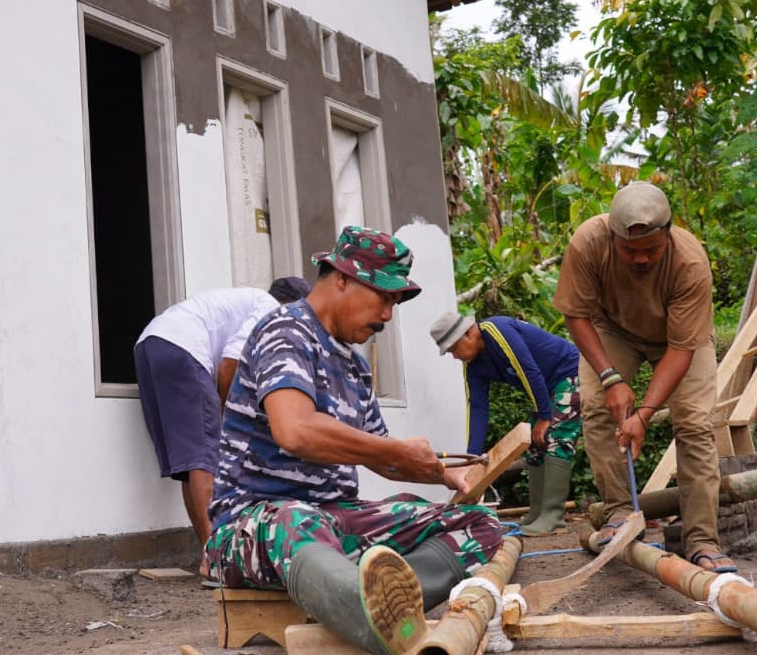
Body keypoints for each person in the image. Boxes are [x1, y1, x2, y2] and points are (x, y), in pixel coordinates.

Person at [205, 226, 503, 655]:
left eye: (394, 303)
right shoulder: (285, 332)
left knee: (478, 524)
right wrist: (397, 451)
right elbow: (295, 430)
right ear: (341, 276)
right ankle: (373, 618)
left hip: (334, 521)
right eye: (384, 298)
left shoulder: (355, 367)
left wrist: (444, 473)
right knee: (295, 522)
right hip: (254, 525)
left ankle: (387, 603)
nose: (387, 315)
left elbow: (381, 455)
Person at [552, 181, 737, 573]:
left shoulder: (689, 262)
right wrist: (610, 379)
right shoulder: (588, 243)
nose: (641, 260)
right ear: (612, 236)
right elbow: (577, 315)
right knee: (599, 407)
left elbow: (681, 350)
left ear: (668, 235)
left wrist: (645, 412)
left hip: (680, 341)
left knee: (695, 424)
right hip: (613, 331)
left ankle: (702, 540)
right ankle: (620, 513)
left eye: (651, 250)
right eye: (629, 251)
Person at [133, 276, 311, 547]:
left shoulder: (250, 301)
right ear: (292, 306)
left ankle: (208, 552)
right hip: (183, 346)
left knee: (192, 463)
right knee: (207, 457)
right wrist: (231, 418)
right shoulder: (270, 309)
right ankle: (218, 556)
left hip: (150, 344)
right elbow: (230, 363)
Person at [430, 311, 582, 536]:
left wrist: (544, 416)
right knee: (534, 443)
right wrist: (472, 458)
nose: (454, 356)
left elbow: (529, 370)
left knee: (556, 437)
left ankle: (553, 517)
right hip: (546, 387)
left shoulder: (497, 331)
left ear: (469, 333)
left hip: (569, 373)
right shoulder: (474, 366)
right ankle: (537, 513)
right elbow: (478, 407)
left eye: (453, 349)